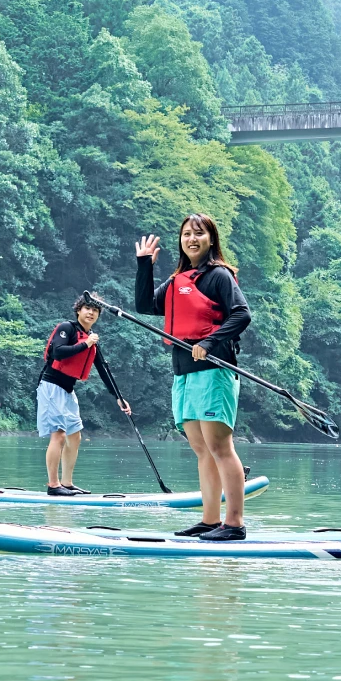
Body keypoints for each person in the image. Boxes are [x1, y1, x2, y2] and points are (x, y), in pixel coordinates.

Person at [134, 214, 252, 540]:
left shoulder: (219, 277)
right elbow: (144, 304)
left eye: (199, 234)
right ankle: (210, 519)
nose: (192, 239)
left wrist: (210, 341)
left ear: (211, 239)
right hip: (183, 375)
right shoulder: (177, 282)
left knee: (219, 447)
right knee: (202, 449)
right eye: (186, 234)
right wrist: (145, 264)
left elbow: (242, 313)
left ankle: (235, 523)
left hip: (214, 371)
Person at [37, 295, 132, 496]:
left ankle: (67, 483)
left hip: (68, 391)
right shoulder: (67, 328)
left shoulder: (91, 339)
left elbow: (103, 370)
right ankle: (53, 485)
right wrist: (86, 343)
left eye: (95, 310)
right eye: (87, 308)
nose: (91, 312)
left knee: (75, 436)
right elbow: (58, 352)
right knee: (59, 434)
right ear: (78, 310)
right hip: (51, 386)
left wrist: (118, 397)